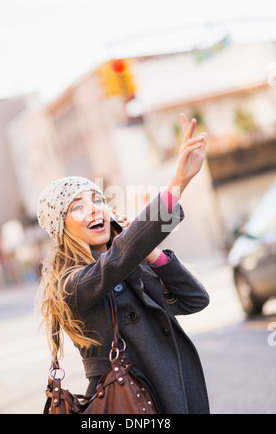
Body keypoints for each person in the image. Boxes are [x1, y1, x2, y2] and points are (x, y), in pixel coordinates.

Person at [37, 114, 210, 414]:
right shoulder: (72, 284)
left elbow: (195, 299)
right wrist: (177, 184)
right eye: (78, 206)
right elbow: (113, 262)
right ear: (60, 228)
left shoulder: (130, 264)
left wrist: (151, 252)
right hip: (129, 405)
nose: (94, 209)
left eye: (97, 199)